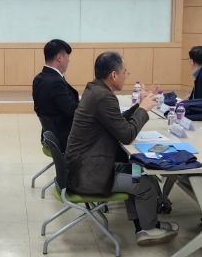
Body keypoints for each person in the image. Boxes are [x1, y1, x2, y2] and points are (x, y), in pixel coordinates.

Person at [65, 52, 179, 246]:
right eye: (125, 72)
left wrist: (139, 105)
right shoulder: (103, 97)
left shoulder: (96, 90)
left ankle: (142, 224)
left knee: (138, 170)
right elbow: (127, 134)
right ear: (113, 75)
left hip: (88, 165)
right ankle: (149, 229)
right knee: (143, 183)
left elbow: (117, 123)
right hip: (89, 173)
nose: (126, 76)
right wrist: (143, 109)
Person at [32, 39, 79, 151]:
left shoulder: (39, 79)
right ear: (59, 58)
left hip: (50, 136)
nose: (68, 61)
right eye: (67, 57)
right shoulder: (56, 82)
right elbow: (72, 111)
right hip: (65, 138)